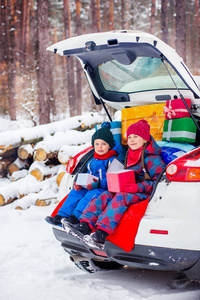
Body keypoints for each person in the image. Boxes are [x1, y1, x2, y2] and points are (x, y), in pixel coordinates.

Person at [63, 119, 166, 248]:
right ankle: (85, 225)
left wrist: (137, 186)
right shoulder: (131, 154)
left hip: (143, 192)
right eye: (129, 137)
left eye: (136, 136)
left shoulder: (151, 158)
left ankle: (101, 234)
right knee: (105, 195)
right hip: (128, 188)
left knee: (121, 197)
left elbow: (160, 182)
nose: (132, 140)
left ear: (145, 139)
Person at [45, 123, 122, 226]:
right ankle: (62, 215)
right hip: (91, 187)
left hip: (103, 190)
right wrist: (80, 183)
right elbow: (88, 176)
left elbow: (114, 181)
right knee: (76, 193)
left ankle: (75, 217)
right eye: (97, 144)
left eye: (103, 144)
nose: (100, 147)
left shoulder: (113, 161)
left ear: (109, 145)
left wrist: (98, 183)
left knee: (90, 195)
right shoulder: (92, 161)